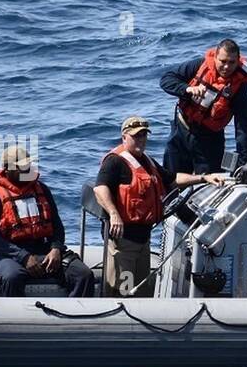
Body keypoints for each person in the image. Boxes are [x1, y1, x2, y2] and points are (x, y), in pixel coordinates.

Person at [92, 115, 224, 297]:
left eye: (144, 135)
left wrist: (203, 178)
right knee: (123, 290)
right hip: (124, 242)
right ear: (124, 137)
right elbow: (100, 189)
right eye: (136, 136)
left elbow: (172, 179)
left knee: (140, 291)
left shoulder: (147, 161)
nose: (141, 140)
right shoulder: (115, 161)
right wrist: (114, 214)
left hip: (143, 239)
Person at [0, 145, 94, 297]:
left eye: (28, 165)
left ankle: (74, 314)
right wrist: (24, 257)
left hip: (44, 250)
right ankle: (17, 316)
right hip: (9, 255)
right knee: (12, 277)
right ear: (7, 169)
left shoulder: (42, 189)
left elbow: (56, 225)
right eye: (21, 167)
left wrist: (56, 248)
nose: (26, 169)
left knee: (83, 274)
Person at [160, 38, 247, 177]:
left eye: (232, 62)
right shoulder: (199, 65)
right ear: (215, 57)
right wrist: (188, 89)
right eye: (223, 61)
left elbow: (243, 127)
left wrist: (243, 160)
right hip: (181, 129)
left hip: (210, 139)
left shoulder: (239, 86)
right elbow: (166, 79)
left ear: (238, 60)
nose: (227, 67)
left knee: (212, 180)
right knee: (170, 178)